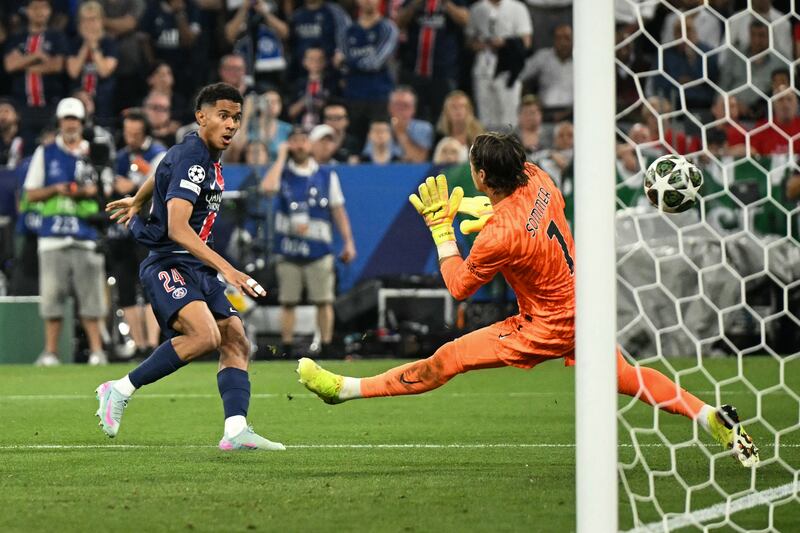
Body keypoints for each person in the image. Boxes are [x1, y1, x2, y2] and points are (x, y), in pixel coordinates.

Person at [297, 132, 760, 468]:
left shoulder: (501, 235)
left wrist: (442, 232)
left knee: (448, 358)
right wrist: (486, 215)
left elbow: (459, 286)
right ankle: (708, 416)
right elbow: (516, 218)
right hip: (583, 301)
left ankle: (345, 390)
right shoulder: (538, 178)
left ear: (480, 175)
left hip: (548, 324)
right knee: (623, 375)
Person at [98, 83, 284, 451]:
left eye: (236, 118)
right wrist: (230, 270)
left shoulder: (195, 147)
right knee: (205, 337)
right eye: (223, 116)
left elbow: (163, 163)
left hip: (195, 266)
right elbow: (177, 228)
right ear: (202, 117)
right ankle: (118, 389)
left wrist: (138, 197)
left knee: (235, 340)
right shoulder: (195, 159)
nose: (231, 125)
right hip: (170, 261)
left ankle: (235, 429)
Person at [22, 97, 108, 366]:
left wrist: (86, 191)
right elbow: (31, 192)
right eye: (66, 119)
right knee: (52, 298)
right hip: (53, 237)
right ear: (59, 122)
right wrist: (55, 189)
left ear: (82, 123)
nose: (70, 124)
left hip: (87, 235)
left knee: (91, 298)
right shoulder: (45, 152)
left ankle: (97, 352)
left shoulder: (96, 152)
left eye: (75, 119)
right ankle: (50, 352)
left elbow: (106, 187)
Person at [261, 127, 356, 358]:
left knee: (324, 300)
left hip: (319, 249)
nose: (300, 145)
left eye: (304, 140)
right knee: (288, 301)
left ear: (310, 144)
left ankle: (326, 345)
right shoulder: (282, 173)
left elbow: (338, 210)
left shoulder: (326, 175)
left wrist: (348, 242)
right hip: (289, 249)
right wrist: (281, 157)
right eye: (294, 141)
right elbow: (267, 188)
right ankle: (287, 347)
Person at [108, 109, 167, 358]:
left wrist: (132, 187)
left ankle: (153, 343)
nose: (130, 137)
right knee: (125, 285)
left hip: (150, 226)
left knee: (152, 283)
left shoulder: (159, 154)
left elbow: (161, 184)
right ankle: (139, 344)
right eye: (127, 132)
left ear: (144, 131)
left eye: (135, 132)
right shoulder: (119, 157)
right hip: (124, 230)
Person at [66, 1, 118, 128]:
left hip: (103, 101)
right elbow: (73, 72)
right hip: (78, 100)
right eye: (85, 20)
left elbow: (104, 71)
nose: (89, 24)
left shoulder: (109, 43)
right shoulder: (74, 43)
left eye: (93, 19)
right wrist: (85, 46)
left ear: (101, 21)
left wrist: (94, 46)